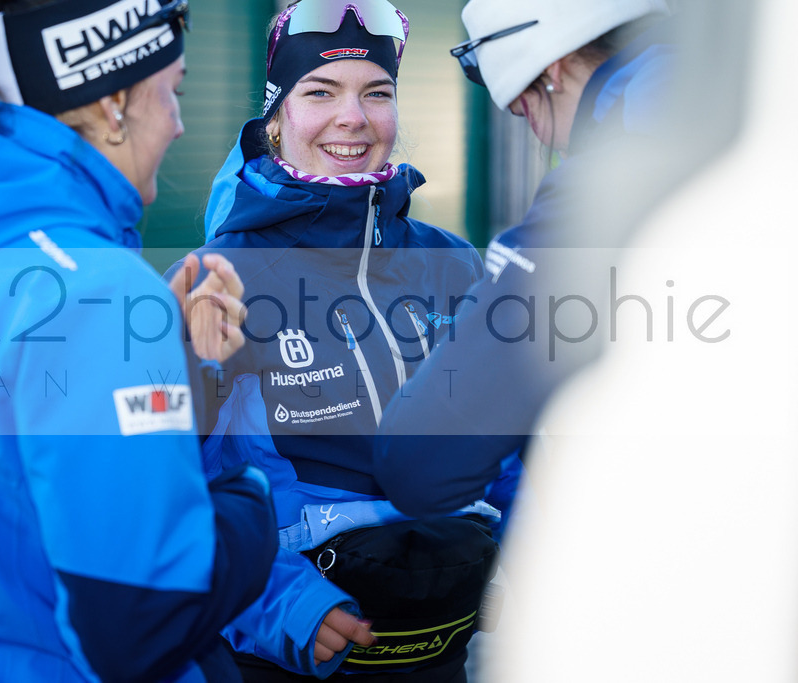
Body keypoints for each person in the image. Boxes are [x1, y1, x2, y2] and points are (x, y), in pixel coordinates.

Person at [0, 0, 278, 681]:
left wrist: (162, 366)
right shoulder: (98, 292)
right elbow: (143, 626)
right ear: (112, 104)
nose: (179, 122)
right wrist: (249, 494)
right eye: (173, 91)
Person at [168, 1, 497, 680]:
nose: (353, 117)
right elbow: (172, 487)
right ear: (277, 116)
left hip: (442, 642)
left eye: (377, 93)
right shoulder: (217, 279)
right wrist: (281, 606)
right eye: (320, 92)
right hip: (288, 649)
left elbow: (511, 444)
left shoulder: (454, 263)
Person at [373, 0, 677, 518]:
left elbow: (421, 463)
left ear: (552, 73)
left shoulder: (606, 187)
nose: (543, 138)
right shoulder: (741, 118)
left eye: (524, 112)